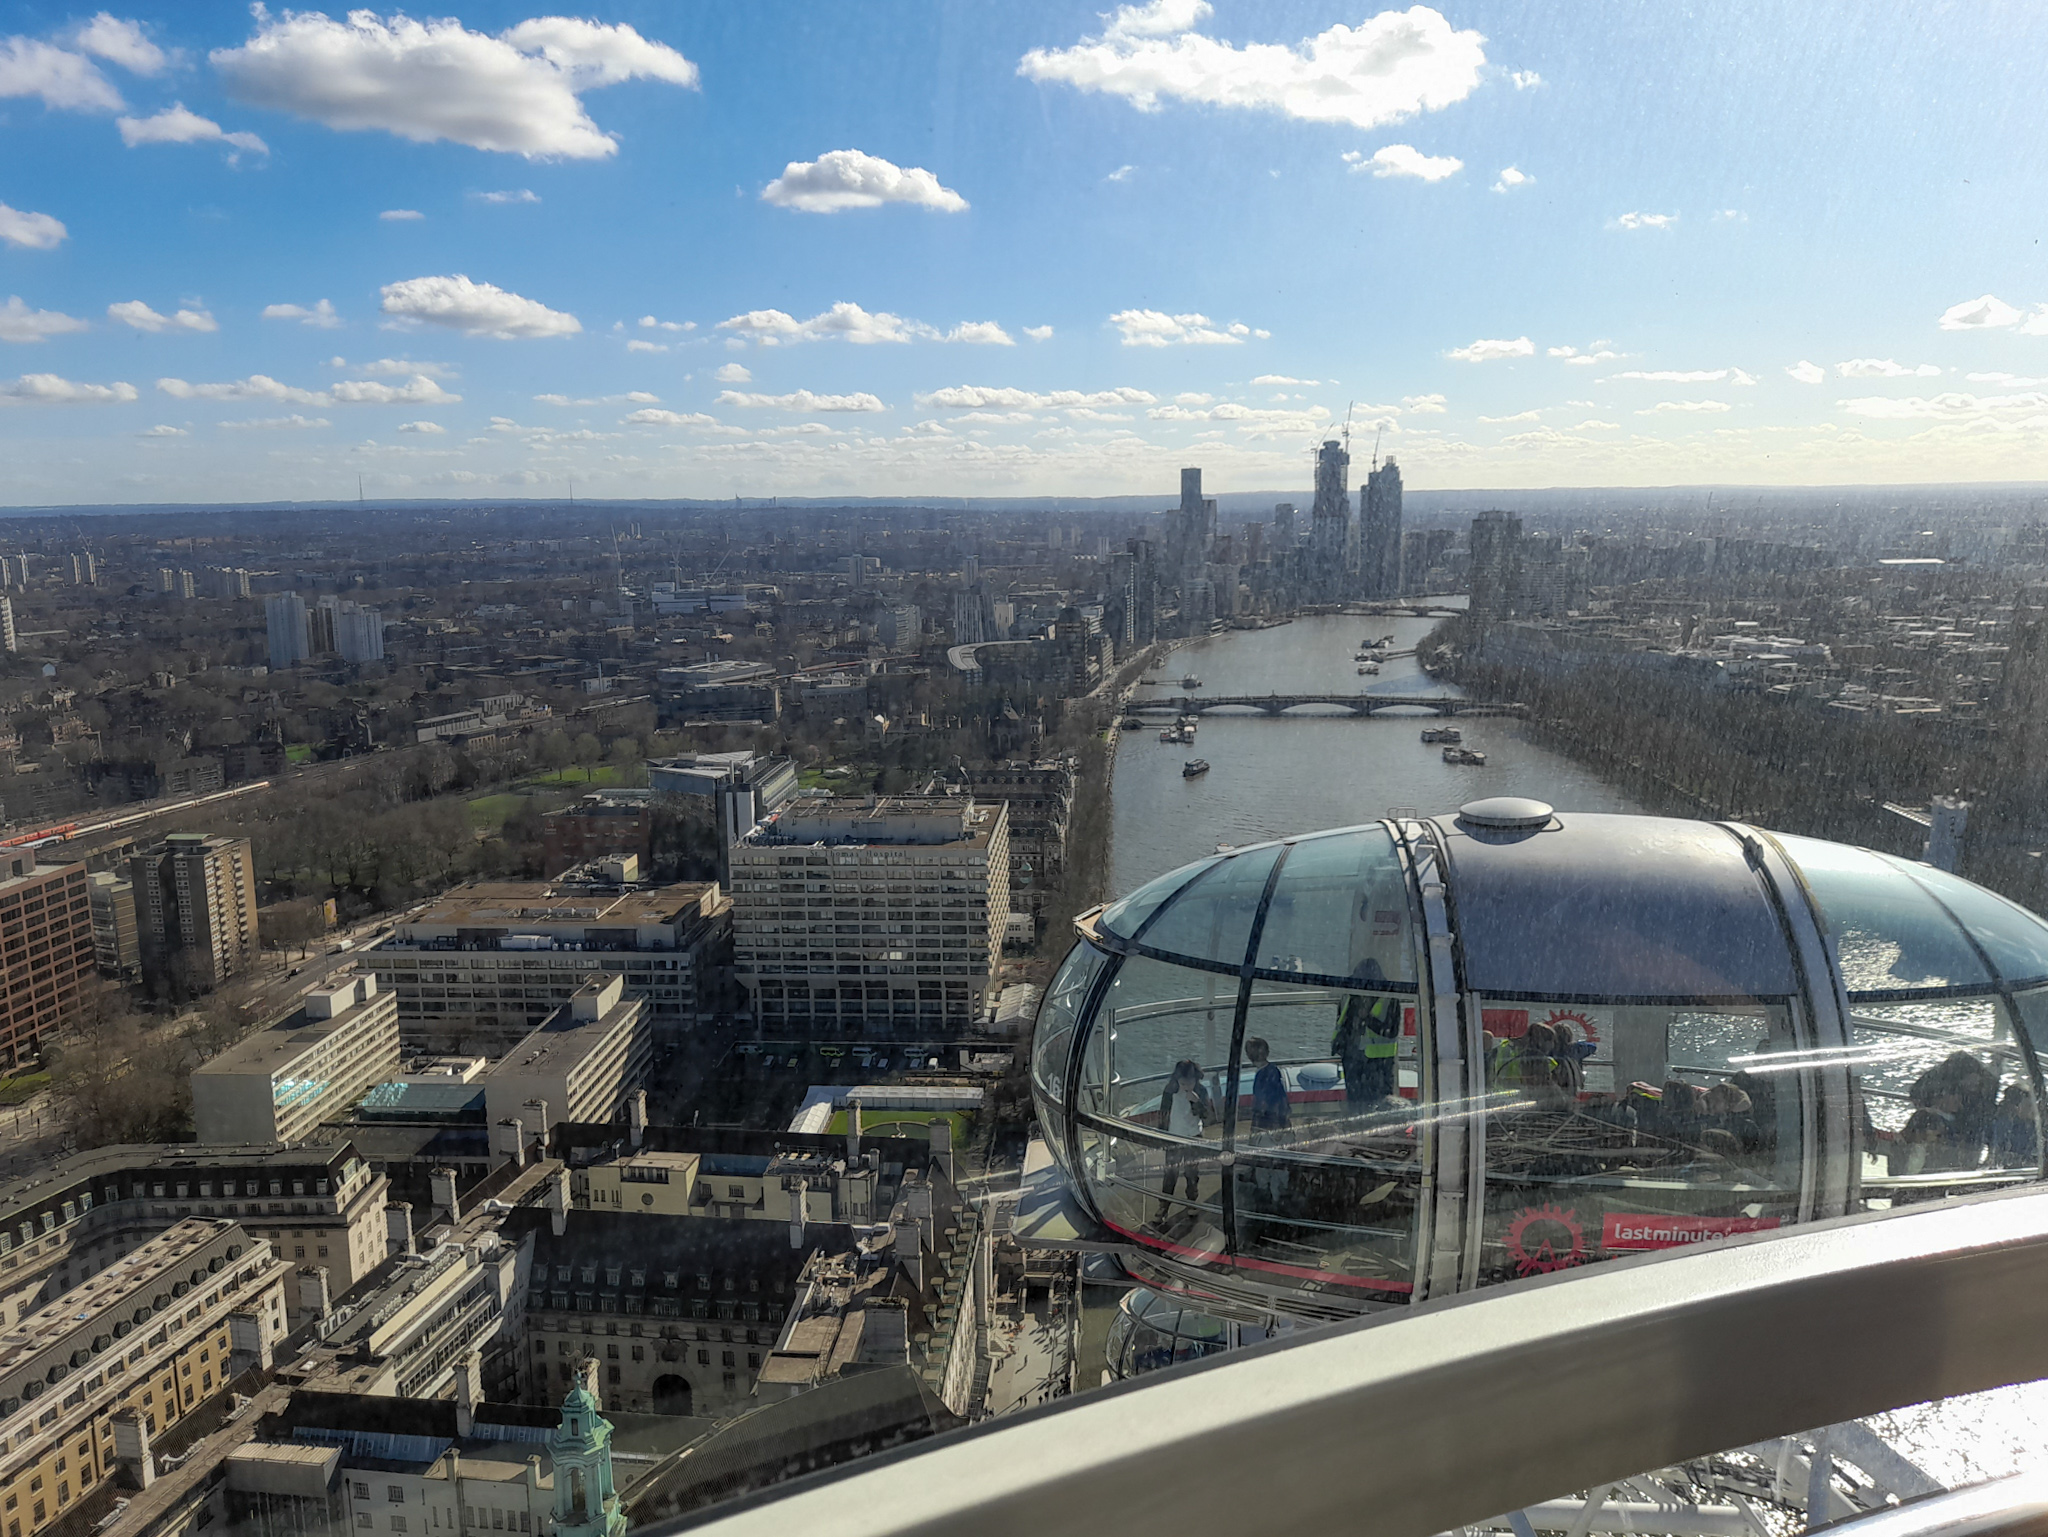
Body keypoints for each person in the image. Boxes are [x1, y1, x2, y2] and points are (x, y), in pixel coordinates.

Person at [1333, 959, 1402, 1106]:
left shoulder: (1389, 998)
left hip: (1378, 1063)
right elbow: (1341, 1021)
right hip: (1351, 1057)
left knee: (1379, 1103)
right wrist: (1340, 1043)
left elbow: (1392, 1031)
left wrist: (1367, 1019)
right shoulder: (1349, 994)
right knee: (1354, 1101)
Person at [1155, 1059, 1212, 1217]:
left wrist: (1197, 1102)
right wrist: (1161, 1136)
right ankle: (1164, 1206)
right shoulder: (1170, 1091)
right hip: (1174, 1136)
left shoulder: (1201, 1091)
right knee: (1170, 1173)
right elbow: (1163, 1113)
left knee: (1192, 1172)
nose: (1187, 1086)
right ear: (1177, 1080)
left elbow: (1207, 1115)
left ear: (1196, 1079)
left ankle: (1191, 1201)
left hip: (1193, 1136)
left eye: (1190, 1083)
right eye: (1183, 1083)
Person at [1246, 1037, 1291, 1136]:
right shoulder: (1272, 1070)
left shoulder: (1265, 1074)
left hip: (1268, 1116)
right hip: (1273, 1114)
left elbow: (1264, 1098)